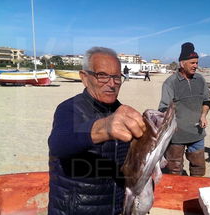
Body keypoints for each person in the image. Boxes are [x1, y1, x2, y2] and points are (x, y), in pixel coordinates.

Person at [48, 47, 146, 215]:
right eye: (102, 75)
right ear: (84, 78)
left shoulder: (122, 112)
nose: (111, 83)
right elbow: (58, 143)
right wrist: (104, 127)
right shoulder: (69, 109)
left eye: (116, 77)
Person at [158, 42, 210, 177]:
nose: (196, 66)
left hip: (197, 132)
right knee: (174, 169)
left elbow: (206, 101)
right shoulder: (170, 83)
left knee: (198, 168)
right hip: (177, 135)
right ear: (182, 63)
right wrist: (171, 123)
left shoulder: (200, 80)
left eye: (197, 62)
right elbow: (163, 108)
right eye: (192, 63)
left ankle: (194, 194)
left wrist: (203, 115)